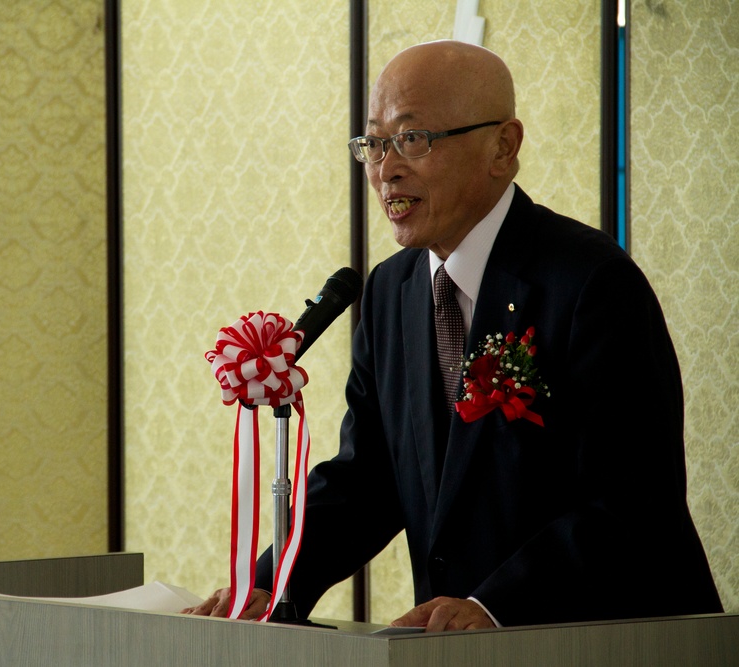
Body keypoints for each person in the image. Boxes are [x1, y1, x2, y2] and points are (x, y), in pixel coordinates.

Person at [182, 39, 722, 630]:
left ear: (503, 147)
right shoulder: (390, 292)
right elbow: (368, 479)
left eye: (413, 139)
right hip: (458, 648)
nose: (386, 168)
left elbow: (630, 500)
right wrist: (274, 583)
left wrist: (495, 606)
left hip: (615, 639)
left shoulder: (591, 283)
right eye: (374, 143)